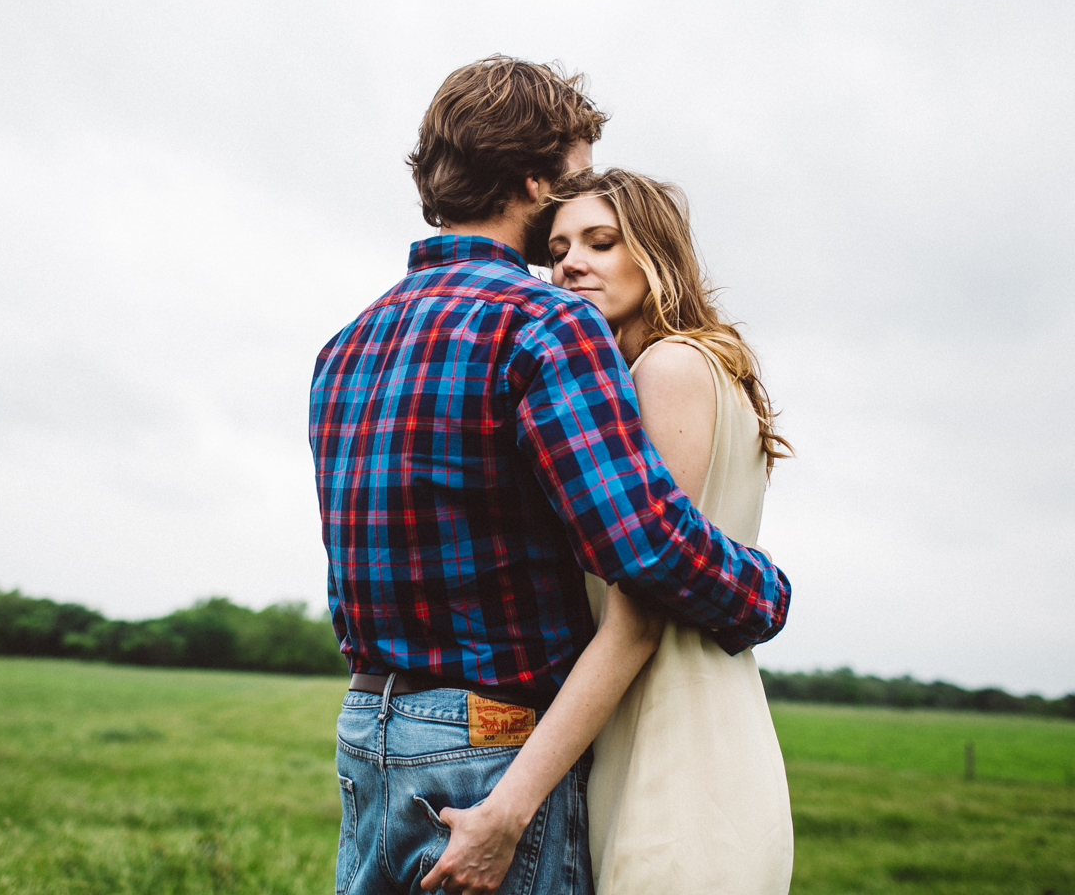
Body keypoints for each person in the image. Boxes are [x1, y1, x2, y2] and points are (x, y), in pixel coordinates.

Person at [309, 56, 790, 895]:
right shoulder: (547, 322)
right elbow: (643, 545)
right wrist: (762, 591)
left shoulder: (346, 343)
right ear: (535, 180)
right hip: (491, 742)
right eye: (574, 173)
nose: (582, 188)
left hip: (365, 727)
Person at [424, 169, 796, 894]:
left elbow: (638, 620)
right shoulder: (687, 367)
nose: (570, 263)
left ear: (654, 254)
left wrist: (506, 809)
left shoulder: (669, 367)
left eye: (600, 242)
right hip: (673, 730)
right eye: (558, 247)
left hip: (677, 751)